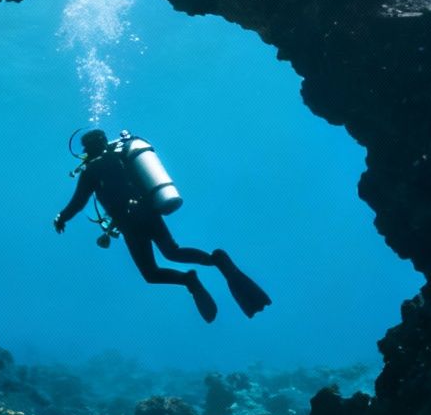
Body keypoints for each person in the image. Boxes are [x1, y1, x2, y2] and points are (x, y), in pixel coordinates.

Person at [53, 128, 271, 323]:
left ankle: (189, 280)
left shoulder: (92, 170)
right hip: (148, 212)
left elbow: (79, 202)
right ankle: (217, 260)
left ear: (87, 149)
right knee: (172, 252)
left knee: (151, 273)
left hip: (129, 223)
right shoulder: (120, 158)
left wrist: (61, 218)